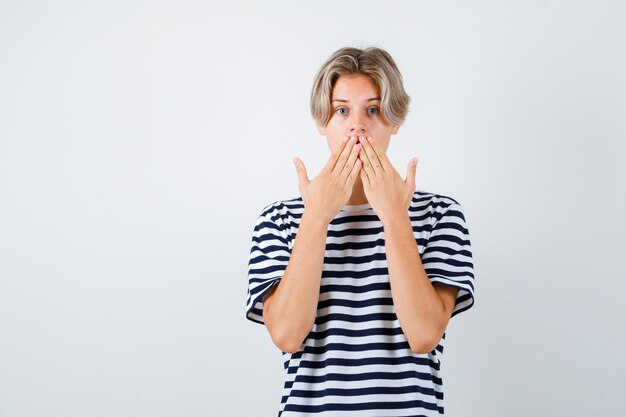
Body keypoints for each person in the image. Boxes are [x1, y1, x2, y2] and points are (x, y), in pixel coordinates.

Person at [245, 46, 476, 416]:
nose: (357, 125)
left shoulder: (440, 214)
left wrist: (394, 216)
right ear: (322, 122)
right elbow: (287, 336)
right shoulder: (280, 219)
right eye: (341, 111)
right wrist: (317, 217)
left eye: (373, 109)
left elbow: (423, 335)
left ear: (395, 119)